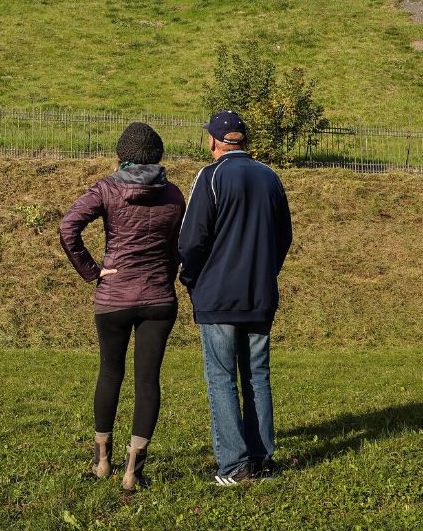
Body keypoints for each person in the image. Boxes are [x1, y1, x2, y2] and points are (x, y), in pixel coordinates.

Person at [59, 123, 185, 489]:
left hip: (113, 296)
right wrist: (168, 266)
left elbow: (69, 228)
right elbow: (180, 243)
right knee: (148, 379)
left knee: (110, 373)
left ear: (122, 154)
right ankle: (134, 470)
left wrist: (92, 270)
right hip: (159, 297)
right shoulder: (174, 195)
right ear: (158, 156)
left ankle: (102, 463)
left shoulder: (107, 188)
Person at [178, 110, 292, 486]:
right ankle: (262, 459)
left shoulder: (210, 177)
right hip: (260, 294)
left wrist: (191, 278)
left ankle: (234, 466)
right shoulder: (270, 177)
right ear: (242, 140)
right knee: (257, 375)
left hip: (217, 295)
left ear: (212, 140)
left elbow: (192, 239)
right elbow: (283, 237)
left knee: (222, 378)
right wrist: (266, 272)